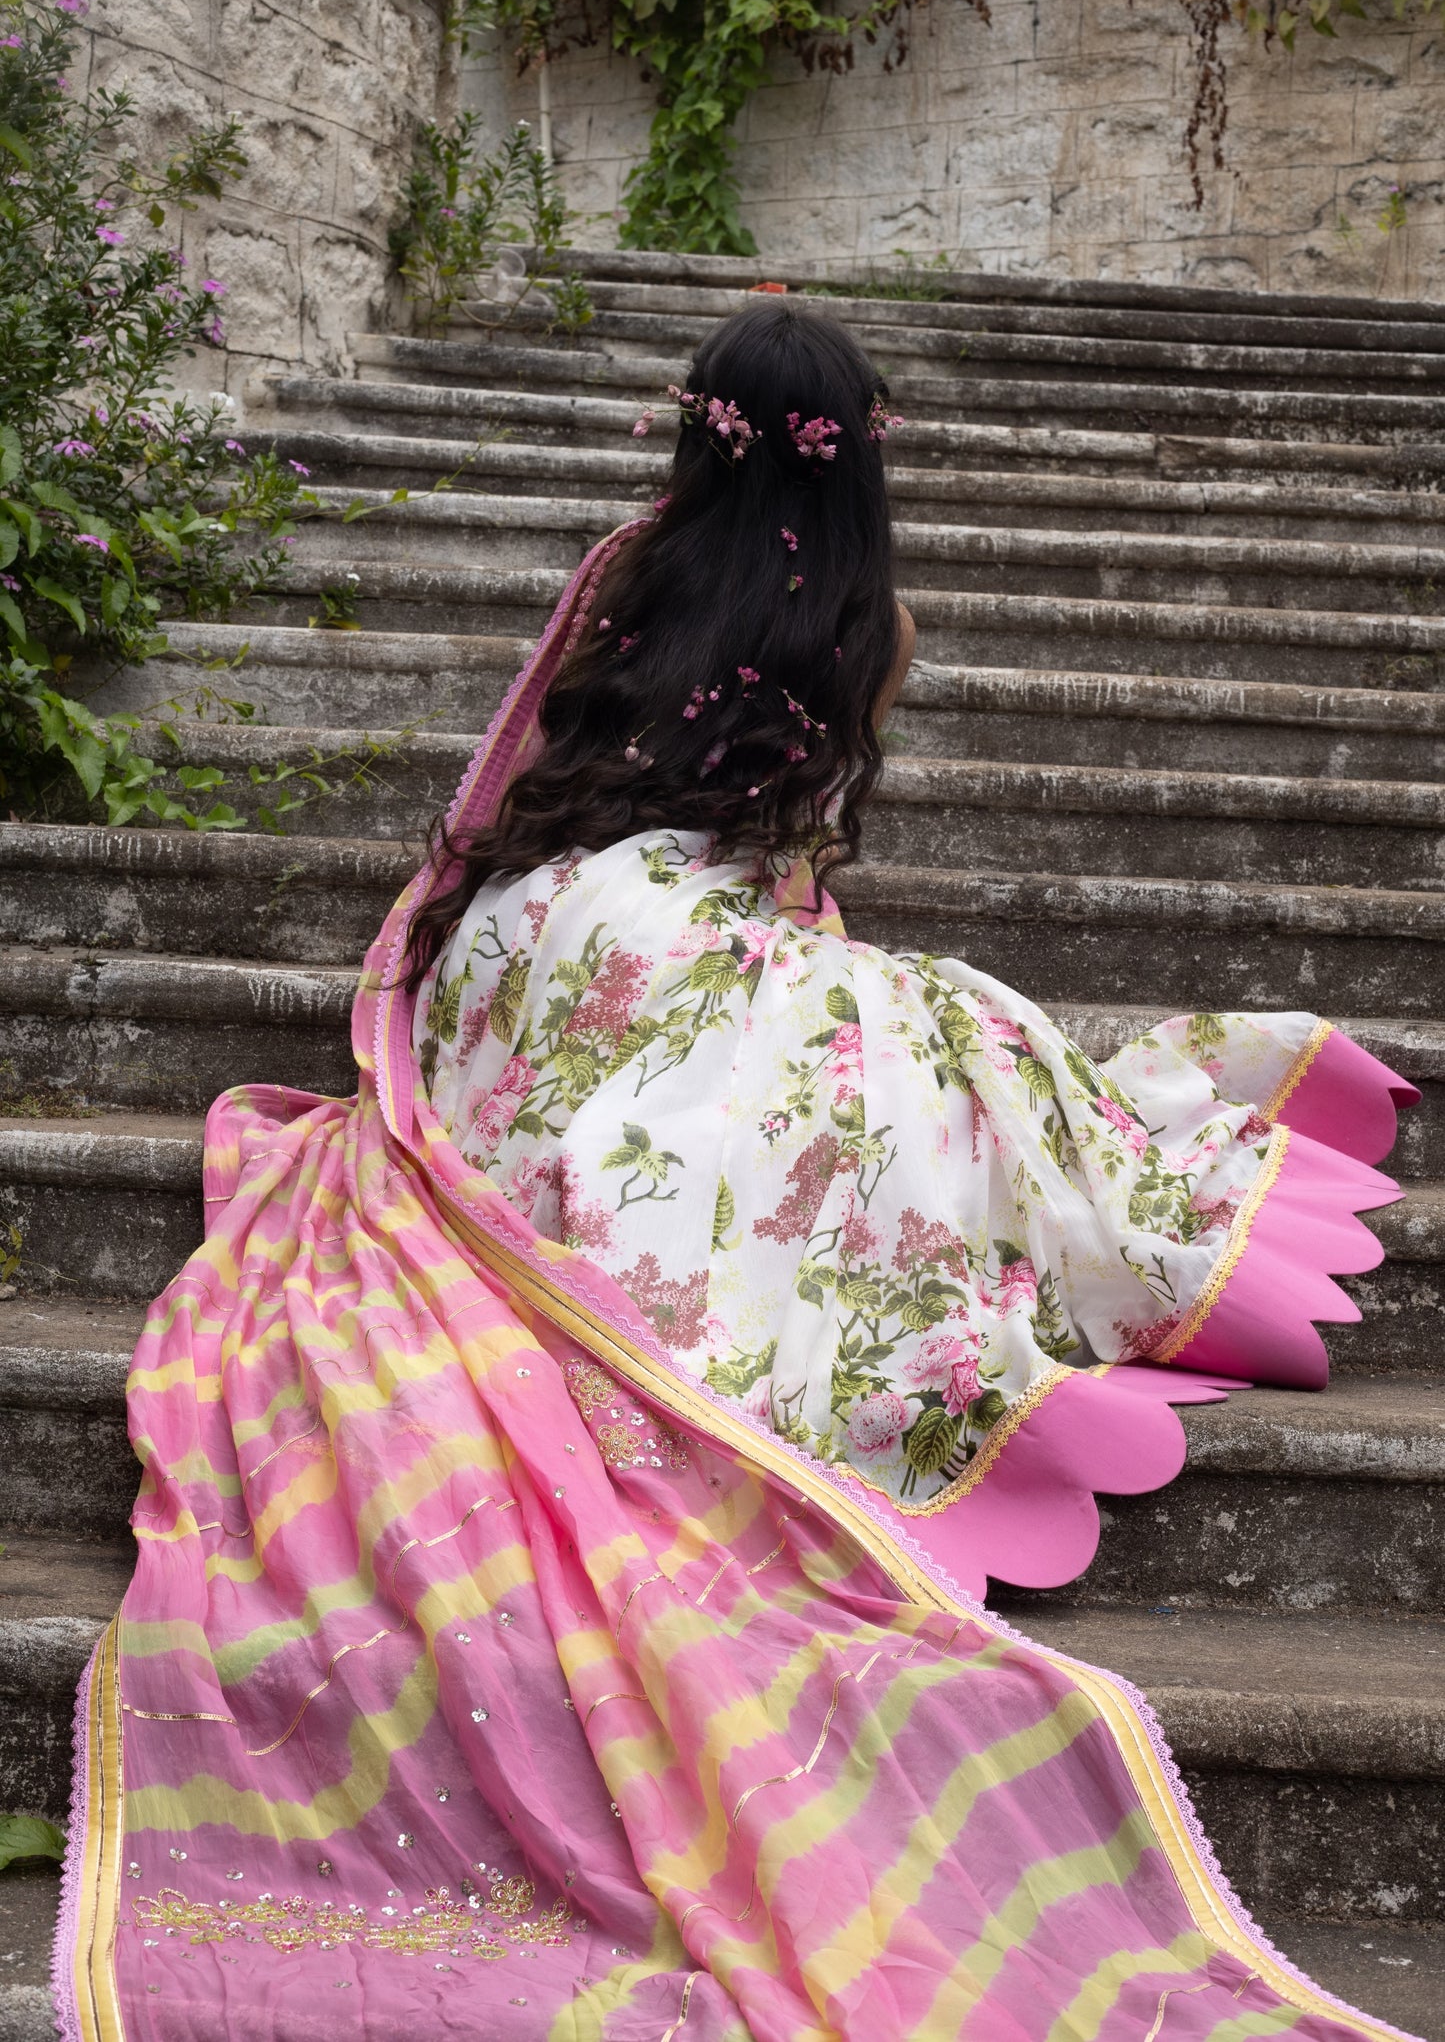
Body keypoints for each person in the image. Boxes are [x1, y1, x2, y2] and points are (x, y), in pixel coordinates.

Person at [59, 304, 1420, 2042]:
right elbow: (790, 870)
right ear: (863, 462)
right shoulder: (867, 623)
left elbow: (505, 798)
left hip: (542, 939)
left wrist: (467, 970)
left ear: (690, 438)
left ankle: (571, 1149)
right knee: (943, 1043)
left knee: (794, 1044)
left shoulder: (623, 571)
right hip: (685, 939)